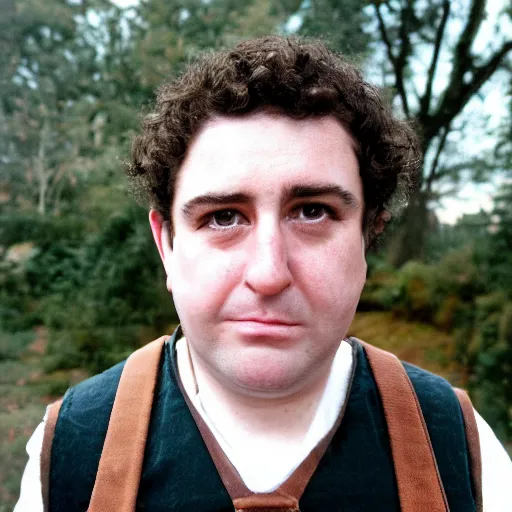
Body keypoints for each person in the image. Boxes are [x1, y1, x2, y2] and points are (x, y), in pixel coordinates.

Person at [15, 35, 512, 512]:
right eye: (224, 217)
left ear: (368, 236)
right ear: (166, 244)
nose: (269, 273)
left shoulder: (464, 452)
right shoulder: (70, 451)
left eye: (313, 211)